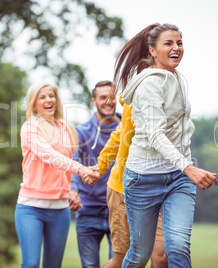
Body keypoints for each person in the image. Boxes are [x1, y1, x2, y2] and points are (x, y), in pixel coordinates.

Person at [113, 23, 218, 267]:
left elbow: (181, 129)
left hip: (178, 179)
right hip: (144, 178)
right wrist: (189, 168)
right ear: (152, 50)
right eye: (168, 43)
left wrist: (185, 165)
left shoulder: (178, 79)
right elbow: (155, 136)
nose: (176, 48)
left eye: (179, 43)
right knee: (140, 254)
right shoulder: (149, 84)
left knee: (178, 247)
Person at [14, 82, 99, 268]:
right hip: (31, 208)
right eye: (42, 97)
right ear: (34, 103)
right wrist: (82, 169)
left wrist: (72, 189)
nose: (48, 100)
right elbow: (50, 156)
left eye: (51, 95)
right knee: (30, 264)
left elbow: (66, 163)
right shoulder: (30, 128)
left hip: (60, 209)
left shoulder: (66, 128)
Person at [94, 95, 168, 268]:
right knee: (123, 259)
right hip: (124, 189)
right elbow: (121, 133)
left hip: (161, 188)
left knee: (162, 256)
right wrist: (100, 166)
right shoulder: (135, 98)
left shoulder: (170, 97)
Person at [69, 81, 121, 268]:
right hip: (88, 209)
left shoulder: (129, 130)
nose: (108, 101)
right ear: (93, 101)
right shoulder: (81, 132)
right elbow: (74, 160)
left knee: (119, 265)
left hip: (121, 209)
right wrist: (73, 189)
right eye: (102, 97)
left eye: (112, 97)